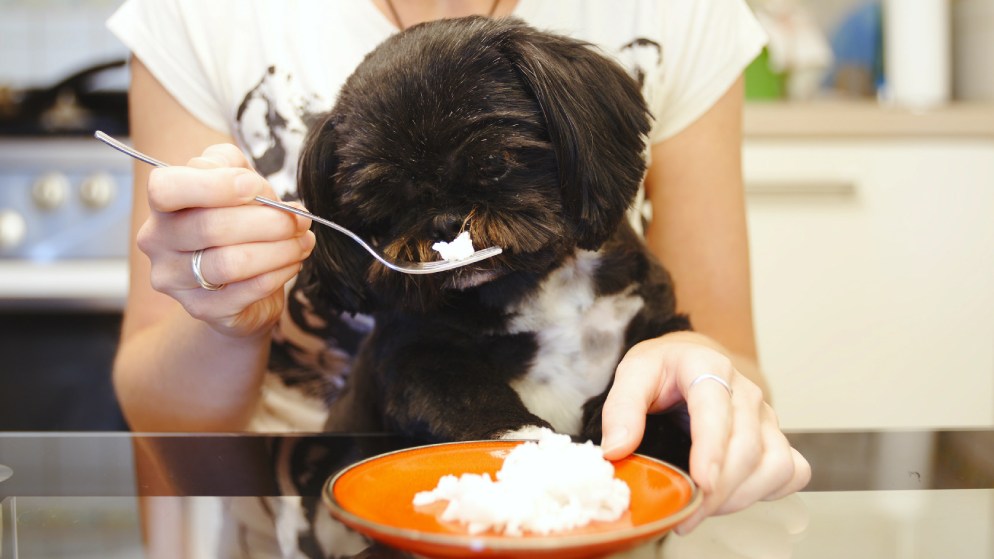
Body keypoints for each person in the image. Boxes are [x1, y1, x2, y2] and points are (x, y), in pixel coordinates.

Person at [107, 0, 810, 535]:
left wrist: (702, 377)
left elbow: (731, 363)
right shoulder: (199, 16)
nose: (450, 230)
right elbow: (157, 414)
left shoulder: (680, 14)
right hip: (323, 528)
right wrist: (225, 313)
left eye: (494, 167)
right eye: (395, 209)